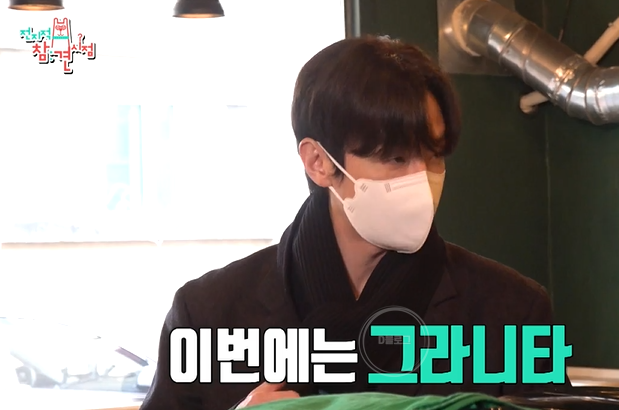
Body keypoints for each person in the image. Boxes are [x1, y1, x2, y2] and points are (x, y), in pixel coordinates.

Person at [139, 35, 569, 410]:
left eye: (434, 155)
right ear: (318, 162)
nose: (422, 179)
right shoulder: (209, 316)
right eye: (396, 158)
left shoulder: (512, 314)